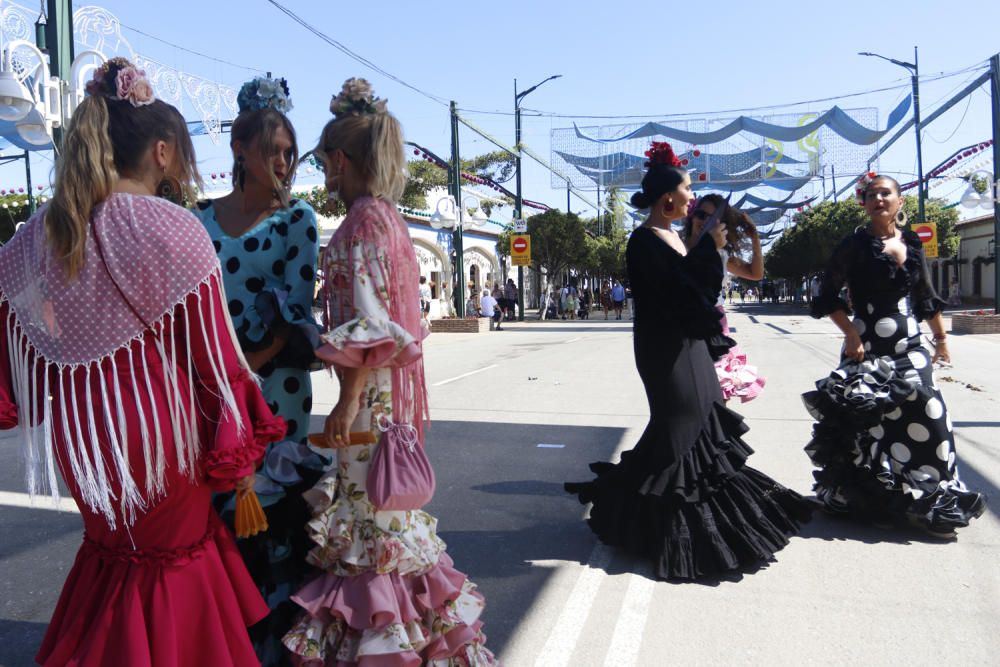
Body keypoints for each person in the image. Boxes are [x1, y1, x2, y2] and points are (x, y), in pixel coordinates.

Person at [0, 58, 284, 666]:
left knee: (112, 561)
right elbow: (214, 361)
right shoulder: (171, 227)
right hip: (162, 442)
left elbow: (22, 333)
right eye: (179, 151)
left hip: (87, 443)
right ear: (159, 151)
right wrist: (235, 454)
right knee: (170, 574)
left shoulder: (39, 234)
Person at [281, 78, 497, 665]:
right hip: (387, 404)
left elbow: (372, 326)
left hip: (369, 408)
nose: (322, 170)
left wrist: (347, 402)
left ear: (342, 157)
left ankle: (383, 645)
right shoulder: (386, 219)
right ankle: (411, 643)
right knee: (387, 528)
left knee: (370, 534)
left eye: (325, 158)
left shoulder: (362, 224)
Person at [565, 141, 808, 582]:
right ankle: (668, 530)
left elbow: (696, 292)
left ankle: (629, 514)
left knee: (699, 421)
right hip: (664, 349)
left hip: (688, 345)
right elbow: (681, 294)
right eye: (688, 189)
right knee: (681, 428)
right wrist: (711, 250)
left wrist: (711, 248)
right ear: (667, 200)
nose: (693, 197)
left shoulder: (674, 236)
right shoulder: (644, 241)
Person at [192, 74, 326, 665]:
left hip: (273, 389)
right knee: (215, 518)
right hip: (207, 391)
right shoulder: (197, 222)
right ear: (238, 150)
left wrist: (246, 367)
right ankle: (219, 640)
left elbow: (293, 311)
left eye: (289, 153)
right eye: (271, 150)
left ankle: (274, 646)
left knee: (272, 520)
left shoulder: (297, 221)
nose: (283, 162)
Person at [804, 172, 986, 538]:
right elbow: (827, 295)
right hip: (866, 345)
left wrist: (941, 339)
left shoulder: (912, 245)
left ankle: (931, 502)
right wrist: (851, 333)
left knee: (930, 413)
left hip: (911, 346)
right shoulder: (853, 245)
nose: (879, 200)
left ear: (899, 201)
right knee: (867, 424)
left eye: (886, 193)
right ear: (865, 203)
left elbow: (925, 297)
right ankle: (870, 501)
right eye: (872, 195)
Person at [685, 194, 766, 403]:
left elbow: (755, 274)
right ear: (691, 216)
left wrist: (754, 238)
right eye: (701, 215)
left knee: (718, 390)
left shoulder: (721, 254)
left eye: (714, 219)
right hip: (684, 323)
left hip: (715, 325)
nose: (705, 222)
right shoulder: (677, 246)